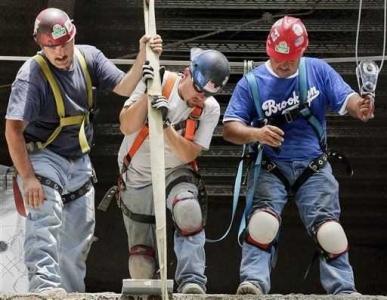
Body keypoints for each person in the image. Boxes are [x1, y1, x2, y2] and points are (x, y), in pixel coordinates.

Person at [5, 7, 162, 293]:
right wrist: (28, 177)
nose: (60, 52)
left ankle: (71, 294)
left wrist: (143, 56)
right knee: (45, 220)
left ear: (73, 36)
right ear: (41, 45)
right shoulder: (32, 76)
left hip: (79, 159)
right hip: (43, 157)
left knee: (79, 234)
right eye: (52, 47)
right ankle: (44, 288)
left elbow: (124, 87)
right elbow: (13, 129)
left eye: (65, 43)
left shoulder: (88, 57)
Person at [223, 16, 374, 295]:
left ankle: (344, 289)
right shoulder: (252, 82)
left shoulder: (318, 71)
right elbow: (230, 128)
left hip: (313, 164)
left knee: (329, 230)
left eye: (290, 60)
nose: (282, 65)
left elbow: (347, 99)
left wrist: (360, 107)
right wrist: (257, 134)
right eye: (278, 58)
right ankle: (253, 283)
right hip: (270, 165)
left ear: (302, 52)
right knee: (262, 223)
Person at [117, 48, 230, 294]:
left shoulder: (208, 109)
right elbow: (126, 126)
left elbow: (189, 154)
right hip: (137, 174)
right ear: (187, 74)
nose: (201, 97)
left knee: (188, 209)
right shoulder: (158, 81)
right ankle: (146, 293)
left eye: (209, 93)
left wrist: (165, 125)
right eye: (199, 90)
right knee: (140, 261)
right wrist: (148, 94)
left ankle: (192, 281)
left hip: (176, 171)